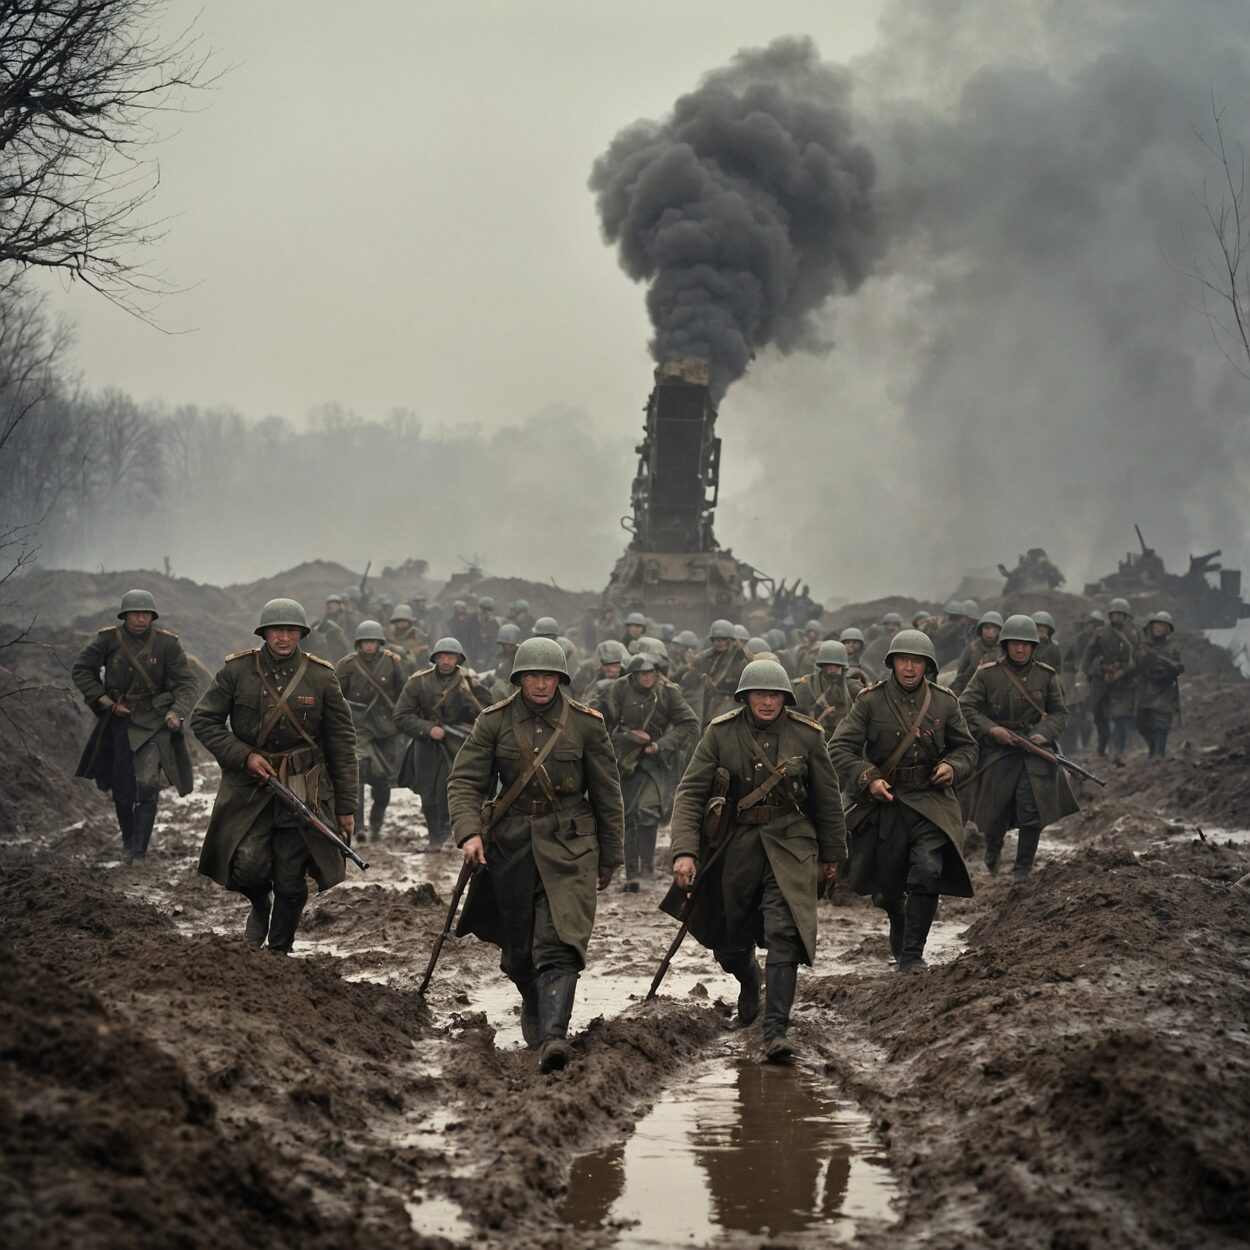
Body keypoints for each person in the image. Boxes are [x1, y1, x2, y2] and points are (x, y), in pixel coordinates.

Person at [448, 637, 624, 1072]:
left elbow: (607, 793)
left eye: (548, 676)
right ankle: (534, 998)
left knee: (561, 942)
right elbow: (465, 782)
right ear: (519, 679)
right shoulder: (494, 721)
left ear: (560, 679)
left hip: (571, 846)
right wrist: (469, 834)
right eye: (532, 676)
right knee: (519, 953)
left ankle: (554, 1038)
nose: (541, 684)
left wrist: (610, 856)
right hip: (511, 846)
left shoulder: (586, 724)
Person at [666, 659, 846, 1062]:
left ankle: (776, 1030)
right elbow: (690, 794)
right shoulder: (720, 733)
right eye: (759, 695)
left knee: (785, 933)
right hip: (736, 846)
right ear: (745, 697)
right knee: (729, 943)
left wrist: (832, 855)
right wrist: (684, 851)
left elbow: (827, 799)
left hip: (792, 844)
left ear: (785, 698)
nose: (767, 702)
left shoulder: (807, 735)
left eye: (774, 695)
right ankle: (749, 981)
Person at [192, 598, 358, 953]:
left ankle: (279, 950)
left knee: (290, 878)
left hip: (303, 790)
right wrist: (244, 756)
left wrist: (346, 806)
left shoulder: (321, 677)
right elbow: (203, 720)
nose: (283, 638)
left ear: (301, 634)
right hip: (249, 789)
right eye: (276, 631)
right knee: (248, 866)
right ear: (264, 633)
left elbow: (342, 745)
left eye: (291, 631)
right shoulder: (237, 671)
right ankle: (258, 903)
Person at [830, 630, 978, 973]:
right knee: (890, 888)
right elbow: (839, 748)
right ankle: (899, 919)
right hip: (886, 802)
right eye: (903, 661)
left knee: (928, 870)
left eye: (916, 662)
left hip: (931, 801)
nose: (909, 668)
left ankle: (913, 954)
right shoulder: (870, 701)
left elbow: (968, 748)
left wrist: (952, 766)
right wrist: (868, 778)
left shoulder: (944, 702)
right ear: (892, 663)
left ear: (927, 666)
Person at [72, 589, 198, 865]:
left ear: (152, 616)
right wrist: (105, 701)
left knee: (148, 783)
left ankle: (140, 850)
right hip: (120, 722)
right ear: (125, 616)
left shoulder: (167, 644)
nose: (140, 619)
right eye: (134, 614)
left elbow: (187, 683)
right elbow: (81, 670)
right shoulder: (108, 639)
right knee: (122, 788)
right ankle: (128, 843)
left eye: (145, 614)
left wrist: (177, 712)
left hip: (154, 723)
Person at [958, 615, 1077, 878]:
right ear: (1006, 645)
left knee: (1031, 807)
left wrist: (1042, 734)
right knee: (995, 809)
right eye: (1015, 644)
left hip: (1032, 747)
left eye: (1026, 644)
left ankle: (1023, 869)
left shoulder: (1046, 675)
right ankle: (993, 849)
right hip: (997, 749)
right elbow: (965, 706)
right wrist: (992, 729)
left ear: (1034, 647)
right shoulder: (987, 674)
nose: (1020, 649)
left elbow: (1059, 713)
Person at [601, 654, 699, 888]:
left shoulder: (667, 691)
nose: (648, 677)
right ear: (633, 674)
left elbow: (689, 723)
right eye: (642, 673)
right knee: (628, 816)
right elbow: (602, 724)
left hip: (655, 763)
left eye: (652, 672)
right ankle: (631, 873)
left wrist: (661, 744)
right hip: (625, 761)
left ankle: (646, 871)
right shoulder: (619, 689)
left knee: (648, 812)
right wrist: (627, 736)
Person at [394, 637, 492, 851]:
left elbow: (488, 712)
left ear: (458, 659)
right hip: (426, 745)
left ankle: (449, 832)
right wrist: (428, 728)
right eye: (442, 656)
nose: (446, 661)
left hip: (458, 742)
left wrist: (469, 715)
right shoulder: (418, 682)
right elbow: (401, 716)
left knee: (452, 787)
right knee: (427, 791)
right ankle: (434, 837)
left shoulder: (469, 681)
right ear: (435, 658)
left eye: (451, 657)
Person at [335, 620, 408, 839]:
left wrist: (401, 719)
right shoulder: (347, 665)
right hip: (358, 728)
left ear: (379, 643)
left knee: (382, 783)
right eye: (365, 642)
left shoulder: (392, 663)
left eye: (373, 642)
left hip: (386, 730)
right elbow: (335, 696)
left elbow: (404, 694)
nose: (369, 646)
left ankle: (376, 823)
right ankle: (358, 828)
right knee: (357, 774)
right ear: (359, 643)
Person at [1081, 598, 1140, 765]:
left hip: (1122, 683)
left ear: (1126, 616)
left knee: (1121, 717)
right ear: (1110, 615)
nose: (1118, 617)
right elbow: (1088, 657)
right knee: (1099, 715)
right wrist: (1101, 669)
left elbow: (1138, 659)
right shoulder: (1100, 632)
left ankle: (1118, 752)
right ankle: (1102, 746)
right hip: (1101, 682)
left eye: (1121, 614)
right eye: (1115, 614)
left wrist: (1122, 670)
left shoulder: (1133, 635)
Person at [792, 640, 864, 742]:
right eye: (828, 665)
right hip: (812, 740)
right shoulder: (807, 686)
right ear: (822, 666)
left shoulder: (852, 687)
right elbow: (793, 718)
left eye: (836, 665)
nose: (832, 670)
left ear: (843, 667)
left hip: (844, 741)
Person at [1135, 610, 1184, 758]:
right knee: (1141, 723)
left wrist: (1163, 662)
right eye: (1156, 625)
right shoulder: (1144, 645)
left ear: (1167, 629)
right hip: (1145, 688)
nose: (1158, 628)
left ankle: (1159, 754)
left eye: (1162, 626)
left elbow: (1178, 667)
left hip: (1164, 688)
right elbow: (1136, 663)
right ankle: (1153, 747)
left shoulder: (1173, 646)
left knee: (1161, 723)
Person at [690, 618, 749, 727]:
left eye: (723, 639)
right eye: (716, 639)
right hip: (707, 699)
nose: (719, 643)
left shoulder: (740, 659)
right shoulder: (702, 659)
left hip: (732, 702)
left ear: (731, 640)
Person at [950, 611, 1004, 695]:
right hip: (970, 689)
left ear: (999, 631)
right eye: (987, 628)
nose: (990, 632)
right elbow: (961, 672)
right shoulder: (972, 648)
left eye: (995, 629)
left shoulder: (1003, 650)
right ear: (981, 629)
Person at [385, 604, 430, 673]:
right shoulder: (390, 634)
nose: (401, 623)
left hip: (414, 669)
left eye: (404, 621)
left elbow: (425, 653)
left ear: (409, 621)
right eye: (399, 621)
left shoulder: (416, 634)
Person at [306, 592, 350, 663]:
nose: (332, 606)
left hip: (339, 642)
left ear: (339, 606)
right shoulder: (327, 617)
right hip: (327, 645)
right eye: (330, 604)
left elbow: (344, 631)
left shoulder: (343, 617)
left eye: (334, 604)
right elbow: (320, 629)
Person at [489, 622, 523, 700]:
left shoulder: (521, 655)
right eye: (502, 644)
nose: (503, 646)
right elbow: (498, 672)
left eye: (505, 644)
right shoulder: (502, 655)